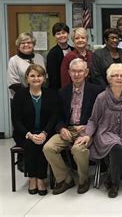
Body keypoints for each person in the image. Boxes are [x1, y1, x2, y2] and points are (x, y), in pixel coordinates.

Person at [76, 63, 122, 198]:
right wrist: (88, 135)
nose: (118, 78)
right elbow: (93, 119)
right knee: (117, 148)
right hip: (107, 132)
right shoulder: (102, 97)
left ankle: (110, 176)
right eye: (115, 75)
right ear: (109, 78)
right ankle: (115, 184)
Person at [43, 58, 102, 195]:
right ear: (69, 72)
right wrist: (61, 128)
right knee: (48, 148)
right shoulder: (62, 92)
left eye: (80, 71)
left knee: (78, 149)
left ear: (86, 72)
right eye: (74, 71)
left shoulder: (96, 91)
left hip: (87, 130)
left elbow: (100, 116)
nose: (77, 74)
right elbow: (56, 116)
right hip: (67, 129)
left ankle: (83, 179)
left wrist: (88, 129)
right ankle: (65, 179)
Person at [11, 64, 58, 196]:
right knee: (31, 145)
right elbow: (16, 120)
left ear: (44, 78)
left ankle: (41, 179)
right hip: (24, 133)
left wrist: (44, 133)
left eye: (39, 75)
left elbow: (53, 117)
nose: (36, 78)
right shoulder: (19, 95)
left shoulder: (51, 94)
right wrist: (29, 135)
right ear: (27, 78)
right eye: (32, 75)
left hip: (45, 132)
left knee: (43, 145)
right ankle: (32, 178)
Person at [8, 32, 46, 98]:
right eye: (23, 43)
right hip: (21, 98)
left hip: (40, 96)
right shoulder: (13, 60)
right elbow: (13, 84)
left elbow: (45, 77)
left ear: (33, 45)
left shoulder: (39, 57)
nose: (26, 45)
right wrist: (31, 94)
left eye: (29, 42)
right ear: (18, 45)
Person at [46, 22, 74, 90]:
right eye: (58, 34)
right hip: (59, 89)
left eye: (64, 33)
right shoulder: (52, 54)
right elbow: (53, 78)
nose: (61, 36)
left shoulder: (73, 50)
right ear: (54, 36)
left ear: (68, 34)